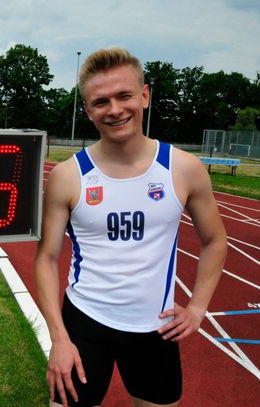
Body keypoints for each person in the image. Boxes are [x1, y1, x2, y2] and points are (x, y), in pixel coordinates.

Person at [34, 48, 227, 407]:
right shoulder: (67, 176)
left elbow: (215, 240)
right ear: (89, 111)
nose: (115, 109)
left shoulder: (183, 168)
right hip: (85, 322)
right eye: (101, 101)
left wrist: (198, 307)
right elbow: (46, 258)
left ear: (144, 95)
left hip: (154, 327)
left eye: (124, 96)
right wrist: (58, 338)